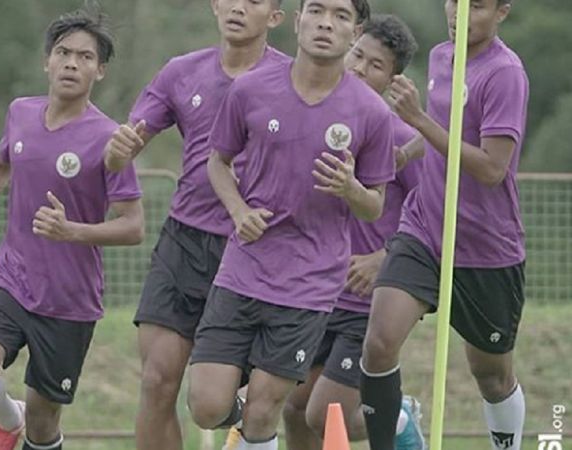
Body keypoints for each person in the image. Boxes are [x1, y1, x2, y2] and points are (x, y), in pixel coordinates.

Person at [186, 0, 397, 448]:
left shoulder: (370, 112)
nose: (326, 22)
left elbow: (374, 206)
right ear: (298, 20)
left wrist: (350, 188)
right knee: (206, 406)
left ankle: (256, 434)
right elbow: (217, 162)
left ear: (355, 31)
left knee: (265, 411)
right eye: (316, 10)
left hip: (309, 282)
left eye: (340, 15)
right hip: (243, 269)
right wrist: (239, 211)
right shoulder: (249, 90)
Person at [0, 6, 144, 450]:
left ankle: (26, 426)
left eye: (85, 57)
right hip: (12, 277)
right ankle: (6, 419)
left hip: (69, 300)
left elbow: (133, 227)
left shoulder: (110, 138)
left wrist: (74, 231)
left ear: (100, 71)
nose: (72, 63)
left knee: (44, 424)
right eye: (64, 52)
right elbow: (1, 164)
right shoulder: (20, 113)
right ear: (46, 61)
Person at [103, 0, 290, 448]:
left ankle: (247, 424)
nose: (239, 8)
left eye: (255, 1)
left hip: (257, 249)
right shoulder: (180, 72)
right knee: (156, 380)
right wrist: (118, 151)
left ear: (277, 18)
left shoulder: (292, 78)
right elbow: (120, 152)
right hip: (184, 242)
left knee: (219, 402)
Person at [360, 1, 529, 450]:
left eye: (476, 6)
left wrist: (416, 118)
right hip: (424, 231)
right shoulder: (441, 56)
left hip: (485, 247)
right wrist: (407, 152)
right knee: (379, 343)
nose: (459, 13)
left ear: (501, 13)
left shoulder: (504, 73)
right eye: (453, 3)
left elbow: (492, 167)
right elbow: (445, 130)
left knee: (492, 377)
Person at [280, 14, 425, 450]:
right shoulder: (319, 121)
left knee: (325, 415)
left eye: (375, 65)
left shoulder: (401, 137)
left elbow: (435, 216)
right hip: (316, 292)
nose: (360, 68)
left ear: (393, 80)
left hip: (368, 304)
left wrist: (387, 256)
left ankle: (397, 413)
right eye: (358, 55)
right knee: (292, 410)